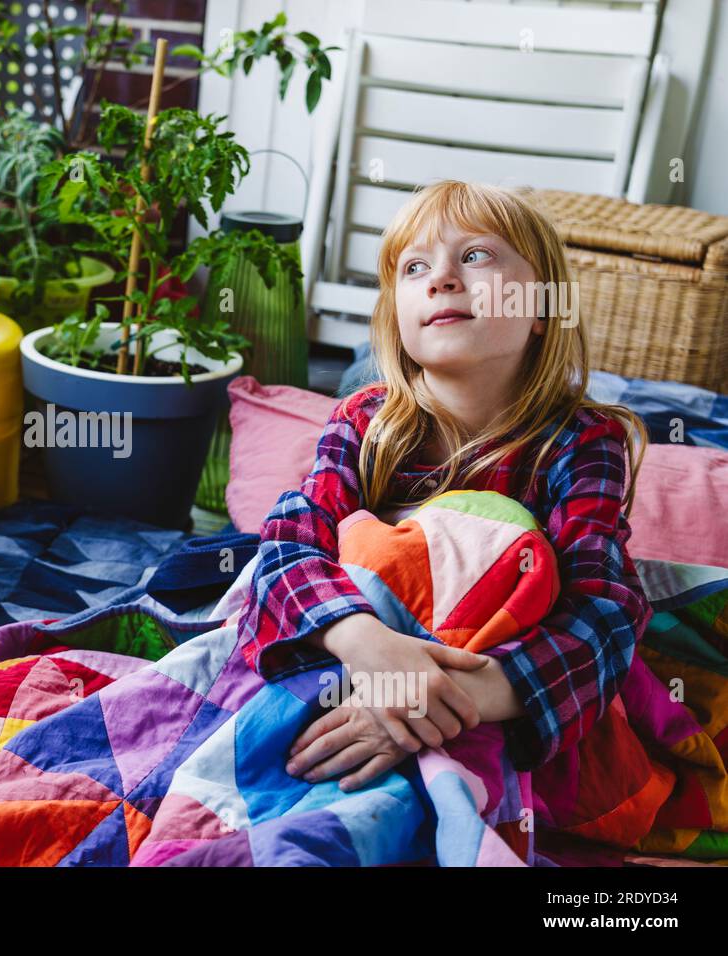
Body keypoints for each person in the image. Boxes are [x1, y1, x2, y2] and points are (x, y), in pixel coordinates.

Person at [236, 180, 652, 791]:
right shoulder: (364, 420)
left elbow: (604, 608)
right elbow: (287, 546)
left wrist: (437, 697)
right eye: (415, 266)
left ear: (542, 308)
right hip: (352, 651)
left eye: (477, 255)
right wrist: (369, 645)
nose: (442, 278)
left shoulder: (583, 442)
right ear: (398, 317)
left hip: (489, 684)